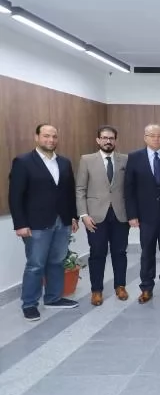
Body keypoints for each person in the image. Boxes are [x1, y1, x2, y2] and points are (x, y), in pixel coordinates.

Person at [9, 124, 79, 321]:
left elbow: (69, 192)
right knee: (35, 264)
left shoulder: (64, 162)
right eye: (46, 136)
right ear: (37, 137)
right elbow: (15, 196)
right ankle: (29, 304)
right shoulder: (23, 162)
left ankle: (53, 298)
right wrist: (20, 224)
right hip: (36, 224)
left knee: (57, 261)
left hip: (62, 221)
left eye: (54, 136)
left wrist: (73, 216)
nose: (51, 140)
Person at [124, 124, 160, 303]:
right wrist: (132, 215)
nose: (156, 138)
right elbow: (129, 188)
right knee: (147, 252)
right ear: (145, 137)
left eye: (159, 135)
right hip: (145, 215)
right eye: (152, 135)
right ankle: (146, 288)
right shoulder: (134, 157)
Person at [76, 125, 130, 306]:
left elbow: (130, 188)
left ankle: (120, 286)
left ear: (115, 140)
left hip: (120, 215)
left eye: (111, 138)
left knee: (120, 253)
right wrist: (83, 215)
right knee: (97, 253)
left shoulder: (125, 160)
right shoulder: (87, 160)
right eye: (105, 138)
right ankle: (96, 290)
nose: (108, 141)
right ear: (98, 140)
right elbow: (80, 189)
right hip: (95, 217)